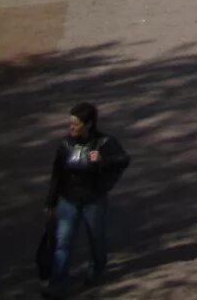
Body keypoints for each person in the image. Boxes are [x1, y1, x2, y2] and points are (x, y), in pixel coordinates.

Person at [43, 102, 128, 293]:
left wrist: (103, 161)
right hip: (68, 200)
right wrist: (50, 201)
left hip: (93, 200)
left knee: (96, 238)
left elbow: (124, 159)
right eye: (70, 123)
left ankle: (96, 269)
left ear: (88, 124)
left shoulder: (104, 143)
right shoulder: (66, 144)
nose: (70, 127)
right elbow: (57, 173)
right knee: (62, 242)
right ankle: (57, 282)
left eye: (75, 124)